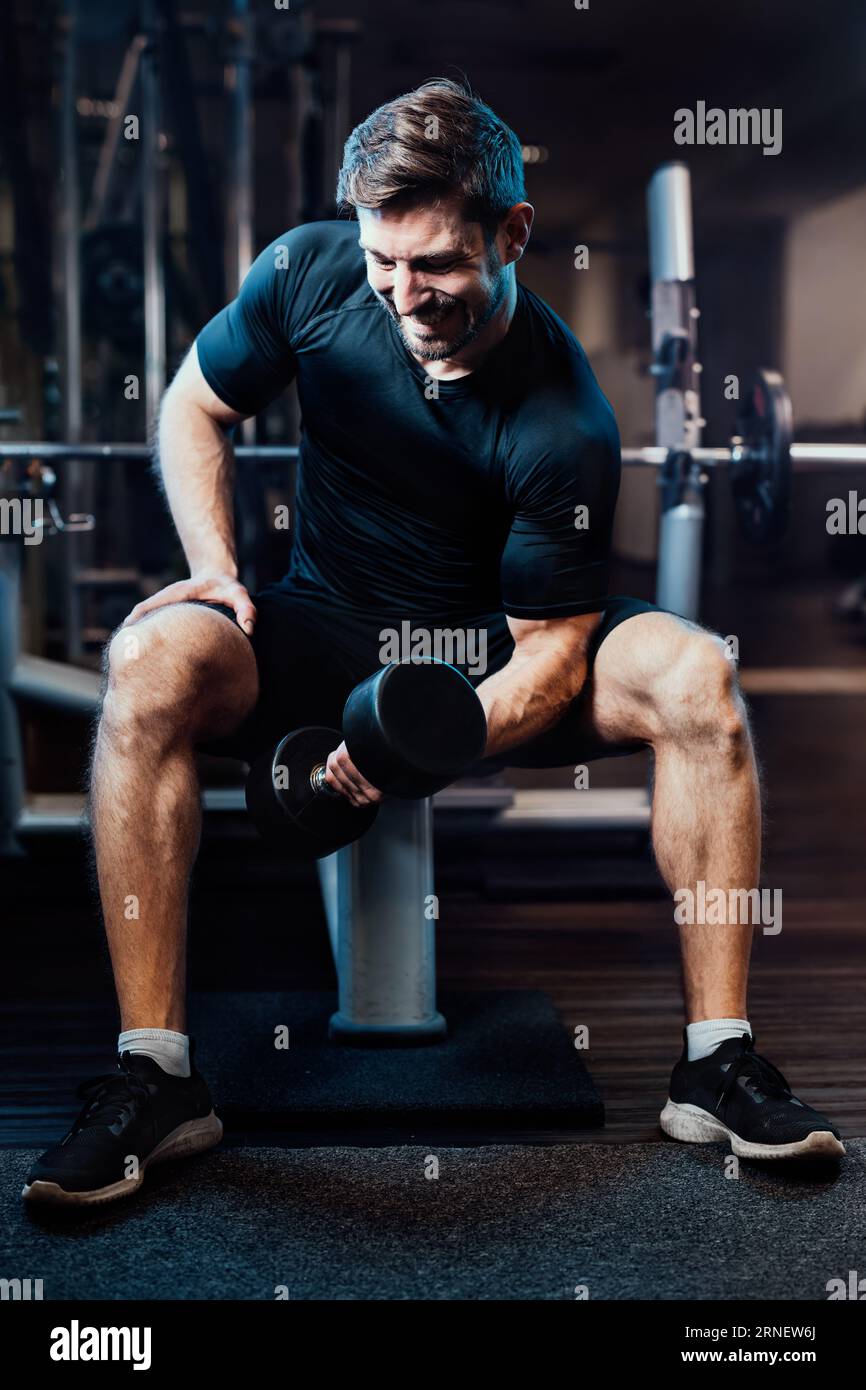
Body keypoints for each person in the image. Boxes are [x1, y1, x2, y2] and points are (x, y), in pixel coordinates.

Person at [23, 78, 843, 1207]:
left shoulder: (561, 417)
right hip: (317, 629)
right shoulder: (309, 270)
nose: (405, 295)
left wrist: (397, 751)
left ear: (510, 233)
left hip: (497, 662)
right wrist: (213, 567)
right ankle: (154, 1077)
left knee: (696, 673)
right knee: (147, 660)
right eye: (385, 263)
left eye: (439, 266)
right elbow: (191, 404)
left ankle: (715, 1059)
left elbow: (552, 653)